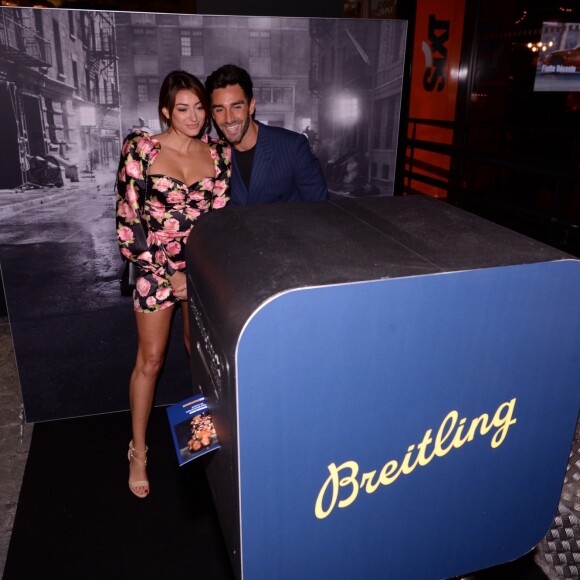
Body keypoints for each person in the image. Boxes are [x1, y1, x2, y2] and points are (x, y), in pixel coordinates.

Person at [115, 70, 231, 498]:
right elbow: (129, 224)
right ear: (166, 110)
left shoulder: (218, 155)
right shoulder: (141, 149)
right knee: (151, 360)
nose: (195, 116)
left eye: (200, 107)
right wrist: (169, 274)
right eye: (183, 108)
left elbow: (219, 224)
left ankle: (202, 438)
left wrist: (197, 273)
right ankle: (139, 451)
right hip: (153, 270)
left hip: (201, 272)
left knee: (199, 357)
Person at [204, 64, 328, 205]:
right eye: (220, 110)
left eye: (236, 107)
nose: (228, 118)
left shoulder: (292, 146)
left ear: (251, 106)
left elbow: (321, 209)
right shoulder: (213, 155)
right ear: (213, 114)